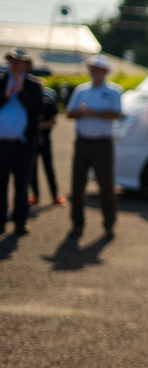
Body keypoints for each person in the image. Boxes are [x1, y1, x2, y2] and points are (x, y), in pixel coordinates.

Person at [67, 54, 123, 238]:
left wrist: (95, 113)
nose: (95, 72)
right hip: (83, 142)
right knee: (77, 186)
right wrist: (80, 113)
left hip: (102, 144)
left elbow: (116, 114)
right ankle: (77, 223)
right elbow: (69, 113)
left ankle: (109, 223)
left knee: (106, 185)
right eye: (92, 69)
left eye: (98, 69)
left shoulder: (114, 91)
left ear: (105, 72)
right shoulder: (81, 91)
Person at [0, 48, 43, 236]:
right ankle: (0, 221)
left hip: (23, 144)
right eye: (12, 61)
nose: (14, 65)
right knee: (0, 185)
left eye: (18, 62)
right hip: (2, 143)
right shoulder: (1, 82)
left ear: (26, 65)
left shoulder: (34, 85)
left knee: (21, 185)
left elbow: (38, 109)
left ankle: (20, 221)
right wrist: (6, 95)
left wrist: (22, 93)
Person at [29, 77, 66, 207]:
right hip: (31, 140)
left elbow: (54, 119)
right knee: (32, 169)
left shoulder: (49, 101)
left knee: (48, 167)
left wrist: (41, 125)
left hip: (45, 139)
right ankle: (35, 195)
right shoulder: (29, 100)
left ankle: (55, 195)